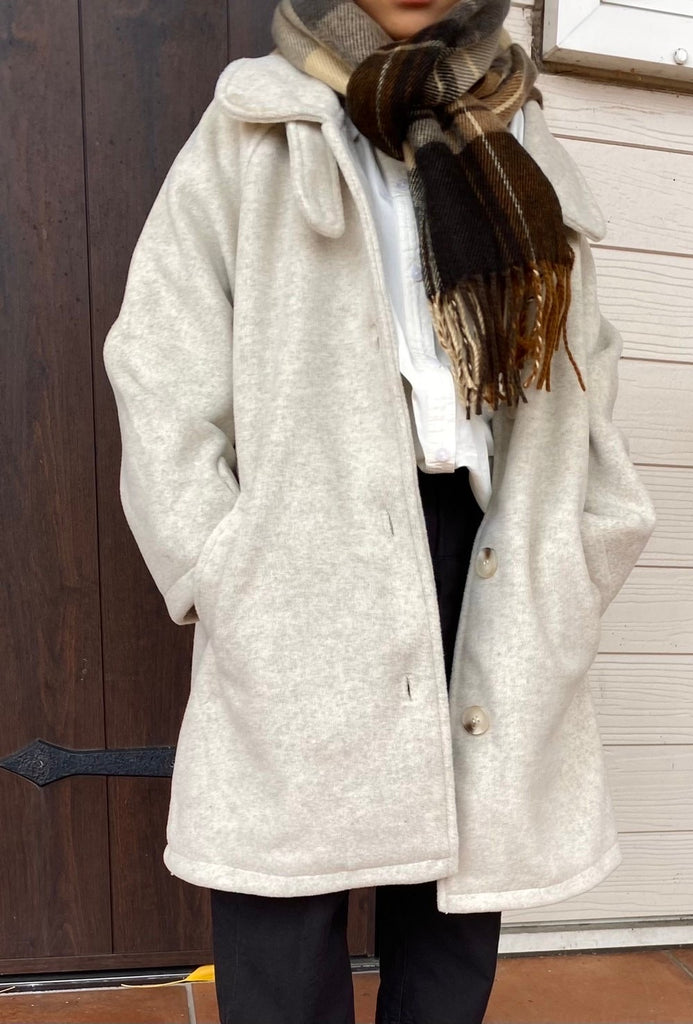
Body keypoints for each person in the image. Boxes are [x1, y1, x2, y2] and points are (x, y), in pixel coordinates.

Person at [102, 0, 657, 1021]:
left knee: (458, 903)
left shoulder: (518, 125)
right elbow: (159, 363)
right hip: (301, 551)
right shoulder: (254, 125)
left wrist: (589, 531)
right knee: (281, 900)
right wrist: (220, 562)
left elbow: (588, 353)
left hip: (489, 552)